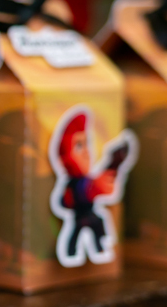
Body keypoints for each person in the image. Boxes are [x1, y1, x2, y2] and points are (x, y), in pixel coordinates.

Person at [50, 109, 136, 267]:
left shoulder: (88, 179)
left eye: (87, 144)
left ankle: (100, 248)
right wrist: (91, 188)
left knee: (98, 224)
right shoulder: (75, 182)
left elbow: (99, 187)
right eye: (78, 146)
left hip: (90, 213)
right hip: (79, 216)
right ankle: (72, 252)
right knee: (75, 234)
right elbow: (75, 195)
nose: (86, 153)